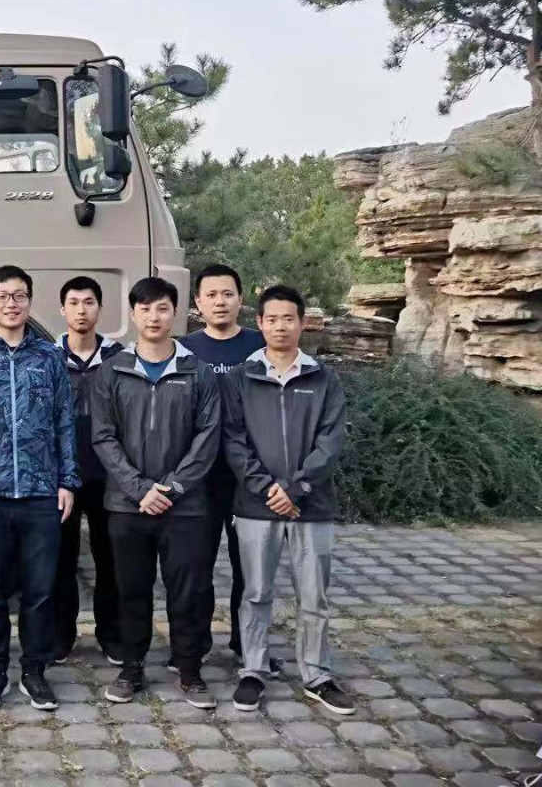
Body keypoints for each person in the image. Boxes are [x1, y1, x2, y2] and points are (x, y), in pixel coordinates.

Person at [223, 285, 355, 716]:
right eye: (272, 319)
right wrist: (267, 488)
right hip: (255, 506)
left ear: (302, 323)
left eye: (288, 319)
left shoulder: (324, 378)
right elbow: (233, 441)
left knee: (314, 596)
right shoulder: (241, 377)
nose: (280, 326)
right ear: (259, 324)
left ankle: (317, 675)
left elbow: (330, 442)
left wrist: (295, 488)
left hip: (311, 507)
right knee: (256, 592)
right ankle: (253, 669)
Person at [90, 277, 221, 710]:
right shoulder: (113, 370)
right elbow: (103, 437)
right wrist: (140, 489)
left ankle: (189, 669)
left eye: (162, 308)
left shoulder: (197, 371)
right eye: (145, 308)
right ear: (133, 314)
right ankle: (131, 667)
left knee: (188, 591)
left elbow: (208, 436)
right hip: (127, 505)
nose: (154, 316)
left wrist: (174, 487)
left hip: (186, 507)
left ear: (175, 313)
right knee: (131, 590)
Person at [0, 265, 77, 712]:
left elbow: (64, 421)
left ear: (29, 301)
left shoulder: (49, 357)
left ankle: (35, 670)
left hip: (41, 492)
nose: (11, 303)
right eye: (3, 296)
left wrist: (67, 480)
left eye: (19, 295)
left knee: (40, 590)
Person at [179, 264, 282, 676]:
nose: (219, 302)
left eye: (227, 294)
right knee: (196, 568)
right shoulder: (184, 350)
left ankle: (246, 645)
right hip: (199, 481)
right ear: (197, 302)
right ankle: (195, 646)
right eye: (211, 294)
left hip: (250, 480)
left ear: (241, 299)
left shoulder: (260, 346)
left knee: (250, 571)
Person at [52, 276, 124, 666]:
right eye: (74, 303)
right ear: (62, 309)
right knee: (60, 560)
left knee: (109, 559)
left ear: (100, 308)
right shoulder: (47, 357)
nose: (82, 310)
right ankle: (60, 636)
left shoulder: (119, 358)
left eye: (89, 302)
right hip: (62, 476)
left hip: (109, 475)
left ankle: (111, 635)